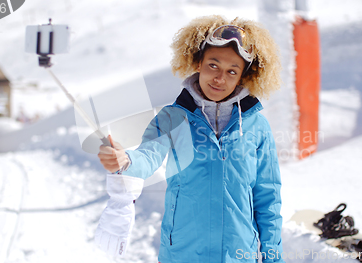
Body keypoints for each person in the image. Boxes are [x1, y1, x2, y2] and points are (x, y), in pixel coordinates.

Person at [97, 15, 284, 263]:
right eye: (213, 66)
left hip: (238, 255)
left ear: (243, 76)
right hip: (183, 253)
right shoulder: (173, 117)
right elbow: (148, 155)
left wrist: (273, 257)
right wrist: (126, 160)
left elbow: (268, 198)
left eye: (232, 71)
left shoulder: (256, 126)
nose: (220, 79)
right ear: (198, 63)